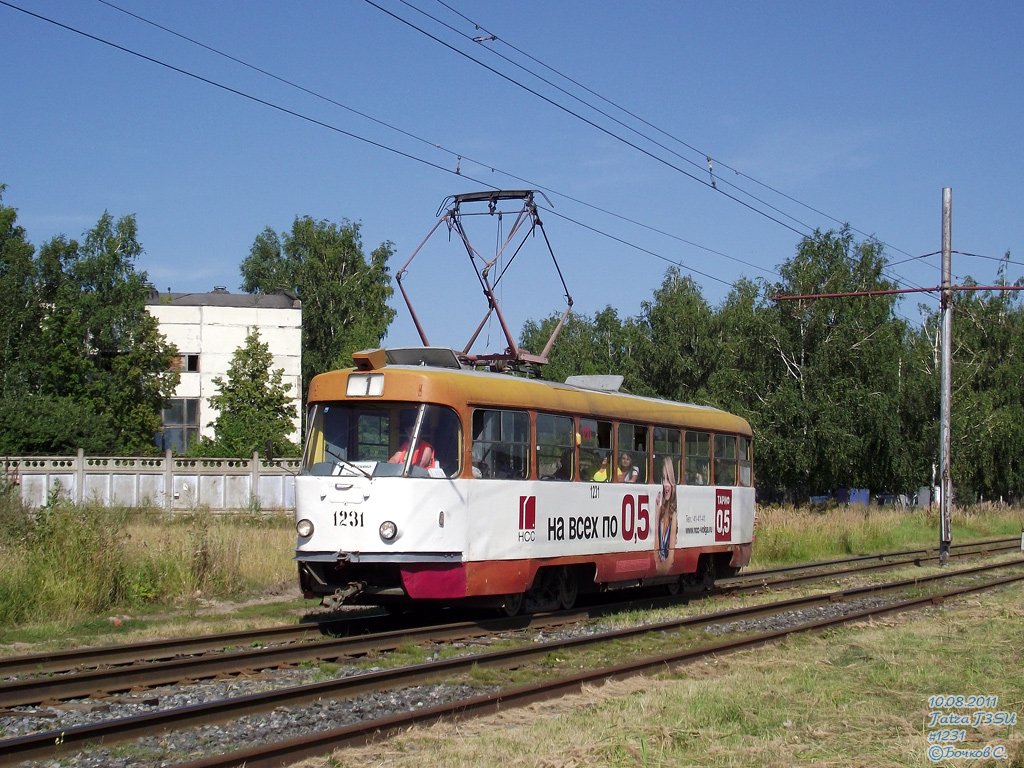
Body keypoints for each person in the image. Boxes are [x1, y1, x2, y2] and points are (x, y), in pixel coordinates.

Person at [655, 457, 677, 574]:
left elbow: (666, 566)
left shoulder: (674, 516)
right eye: (663, 479)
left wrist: (658, 565)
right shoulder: (661, 512)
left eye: (668, 479)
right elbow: (655, 555)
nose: (665, 485)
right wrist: (656, 512)